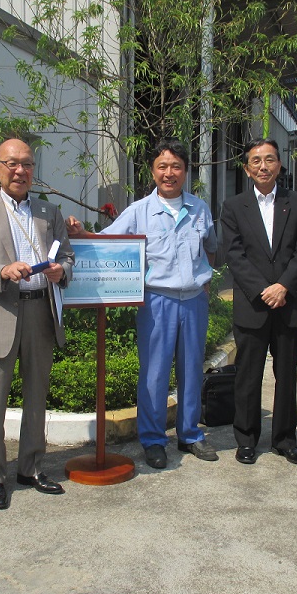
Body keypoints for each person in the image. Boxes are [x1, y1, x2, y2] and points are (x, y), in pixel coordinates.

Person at [66, 139, 218, 469]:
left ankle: (190, 434)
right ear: (152, 171)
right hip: (157, 301)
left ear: (186, 171)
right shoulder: (139, 211)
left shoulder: (199, 209)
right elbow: (108, 240)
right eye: (162, 166)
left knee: (192, 369)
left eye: (176, 166)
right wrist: (81, 233)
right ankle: (153, 440)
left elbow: (210, 246)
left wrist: (205, 282)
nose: (169, 173)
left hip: (194, 301)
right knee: (155, 373)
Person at [0, 138, 74, 510]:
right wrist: (2, 271)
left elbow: (68, 255)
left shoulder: (48, 211)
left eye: (27, 163)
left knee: (37, 396)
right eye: (12, 163)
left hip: (41, 311)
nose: (20, 170)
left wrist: (61, 271)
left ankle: (31, 467)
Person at [220, 139, 297, 466]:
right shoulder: (234, 206)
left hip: (289, 304)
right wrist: (264, 290)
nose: (263, 166)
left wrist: (283, 286)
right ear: (247, 169)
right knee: (248, 377)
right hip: (253, 305)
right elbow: (234, 254)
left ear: (279, 164)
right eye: (256, 161)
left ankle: (285, 440)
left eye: (270, 159)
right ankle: (246, 439)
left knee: (286, 376)